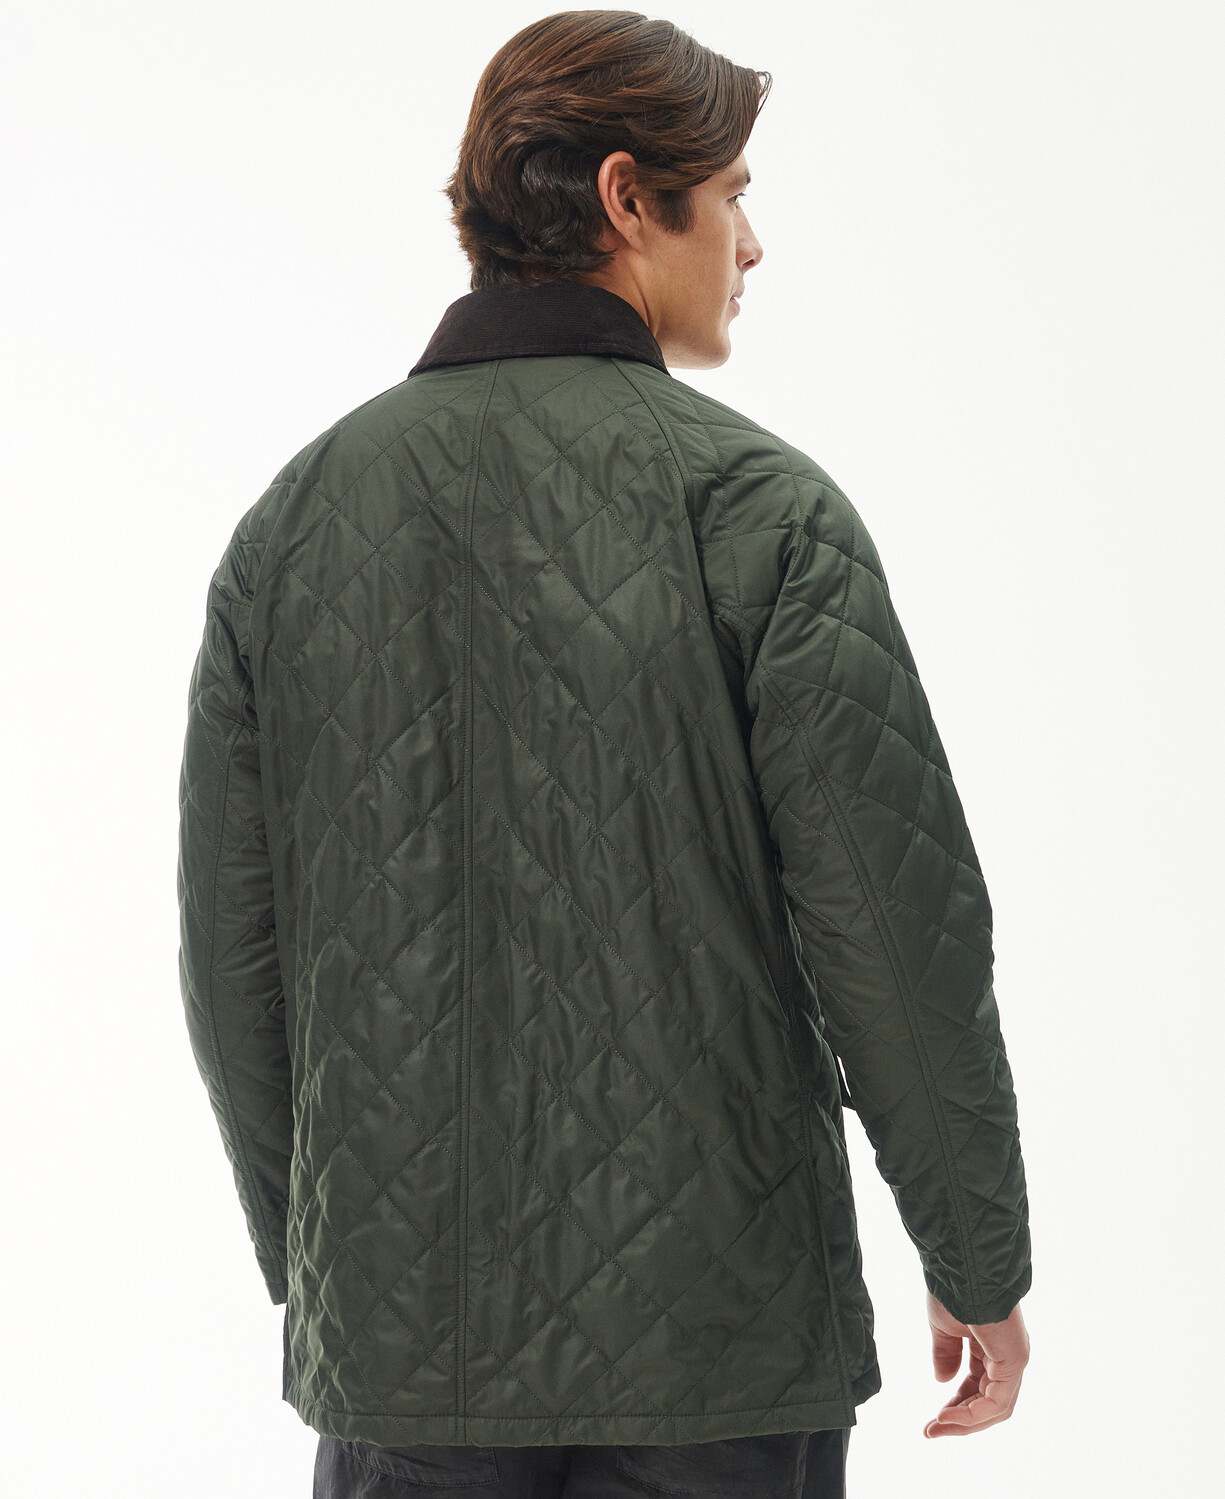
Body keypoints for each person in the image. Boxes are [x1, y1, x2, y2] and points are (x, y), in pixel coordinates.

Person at [176, 11, 1032, 1498]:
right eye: (736, 196)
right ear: (631, 198)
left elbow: (231, 958)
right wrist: (974, 1256)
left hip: (407, 1351)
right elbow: (897, 932)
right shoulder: (758, 509)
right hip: (719, 1343)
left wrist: (332, 1261)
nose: (753, 245)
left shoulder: (292, 525)